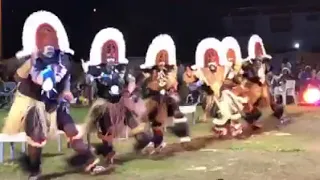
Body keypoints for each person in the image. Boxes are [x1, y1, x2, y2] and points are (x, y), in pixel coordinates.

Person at [1, 11, 106, 179]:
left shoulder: (63, 59)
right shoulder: (31, 59)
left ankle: (89, 161)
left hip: (55, 105)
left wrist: (65, 91)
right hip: (34, 104)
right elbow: (19, 77)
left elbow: (65, 78)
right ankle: (34, 170)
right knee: (36, 138)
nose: (47, 40)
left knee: (72, 129)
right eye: (43, 35)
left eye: (50, 35)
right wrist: (34, 67)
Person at [81, 27, 152, 163]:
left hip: (121, 103)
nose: (111, 54)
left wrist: (128, 92)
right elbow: (89, 83)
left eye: (113, 50)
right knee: (106, 130)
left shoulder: (121, 68)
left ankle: (143, 141)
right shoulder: (95, 69)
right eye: (108, 50)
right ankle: (107, 153)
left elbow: (131, 81)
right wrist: (88, 75)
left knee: (135, 125)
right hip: (104, 105)